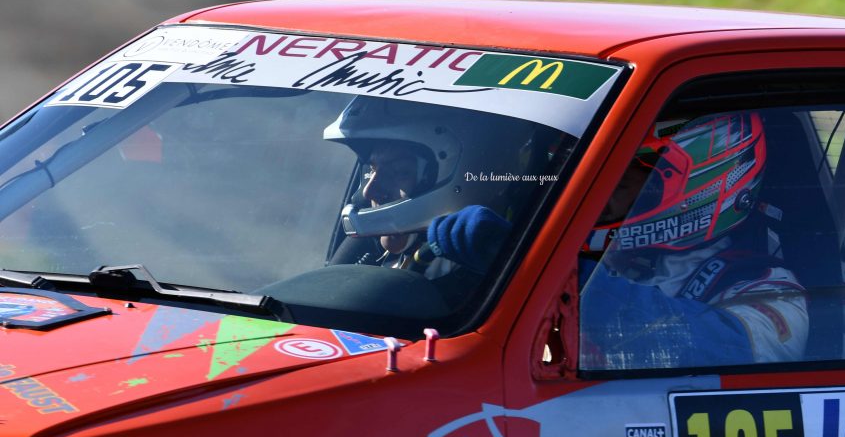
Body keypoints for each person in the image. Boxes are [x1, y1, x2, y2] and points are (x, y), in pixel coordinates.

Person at [579, 112, 808, 370]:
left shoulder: (773, 292)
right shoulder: (604, 252)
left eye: (627, 183)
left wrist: (576, 280)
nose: (603, 197)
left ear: (703, 188)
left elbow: (717, 350)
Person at [322, 96, 525, 284]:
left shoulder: (506, 272)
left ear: (462, 170)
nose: (369, 192)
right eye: (372, 169)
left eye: (399, 172)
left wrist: (500, 254)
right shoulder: (361, 249)